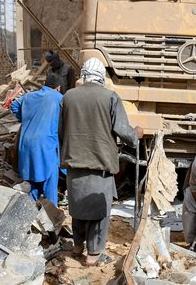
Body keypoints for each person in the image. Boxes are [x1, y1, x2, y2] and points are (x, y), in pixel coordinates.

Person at [59, 58, 144, 266]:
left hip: (74, 164)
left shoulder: (68, 97)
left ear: (83, 75)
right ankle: (93, 254)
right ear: (102, 77)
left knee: (78, 206)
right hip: (100, 165)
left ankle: (78, 246)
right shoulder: (110, 97)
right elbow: (123, 132)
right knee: (99, 211)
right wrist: (136, 135)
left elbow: (62, 131)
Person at [10, 72, 63, 206]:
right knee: (49, 181)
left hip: (26, 143)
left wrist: (26, 119)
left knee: (31, 180)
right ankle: (51, 217)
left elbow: (14, 105)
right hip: (45, 144)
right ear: (58, 87)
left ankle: (30, 215)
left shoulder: (29, 96)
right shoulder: (58, 98)